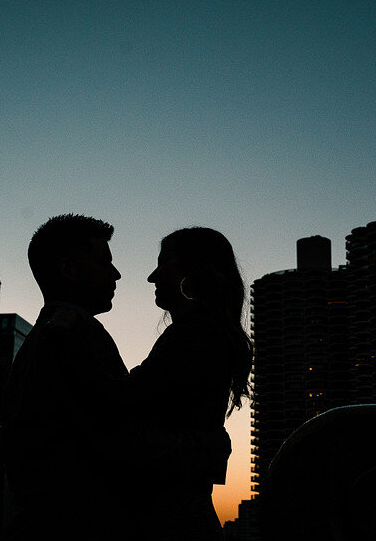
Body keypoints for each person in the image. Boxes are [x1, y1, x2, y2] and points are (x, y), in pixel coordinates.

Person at [2, 215, 227, 540]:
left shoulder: (43, 337)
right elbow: (123, 439)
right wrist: (211, 448)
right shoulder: (77, 334)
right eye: (104, 261)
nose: (117, 273)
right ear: (69, 270)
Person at [129, 227, 254, 541]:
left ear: (196, 272)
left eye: (164, 264)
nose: (152, 277)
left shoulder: (193, 336)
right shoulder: (205, 334)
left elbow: (129, 403)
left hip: (169, 518)